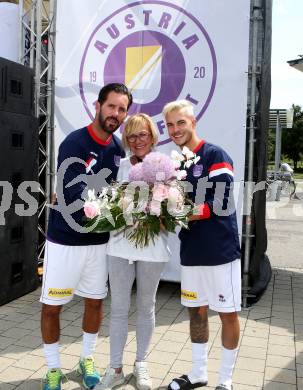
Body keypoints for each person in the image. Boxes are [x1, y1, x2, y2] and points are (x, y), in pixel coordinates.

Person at [40, 83, 133, 390]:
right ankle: (53, 369)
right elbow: (70, 194)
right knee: (52, 307)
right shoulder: (74, 143)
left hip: (98, 242)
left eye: (122, 109)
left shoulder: (118, 149)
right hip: (65, 240)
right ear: (98, 105)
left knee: (94, 303)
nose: (115, 114)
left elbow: (114, 191)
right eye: (111, 107)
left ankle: (86, 360)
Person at [163, 100, 241, 390]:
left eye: (180, 122)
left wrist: (180, 212)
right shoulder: (176, 163)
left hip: (220, 251)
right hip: (192, 250)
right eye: (170, 125)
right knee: (196, 311)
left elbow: (220, 202)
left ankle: (226, 380)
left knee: (227, 313)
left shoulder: (215, 154)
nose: (175, 129)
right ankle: (198, 373)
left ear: (193, 123)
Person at [96, 114, 170, 390]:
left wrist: (162, 212)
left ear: (152, 136)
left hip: (152, 247)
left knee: (146, 307)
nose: (138, 140)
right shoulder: (121, 166)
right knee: (118, 308)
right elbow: (110, 202)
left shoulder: (164, 164)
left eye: (143, 135)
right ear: (126, 140)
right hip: (119, 246)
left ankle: (141, 364)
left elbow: (171, 210)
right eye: (132, 136)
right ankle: (115, 368)